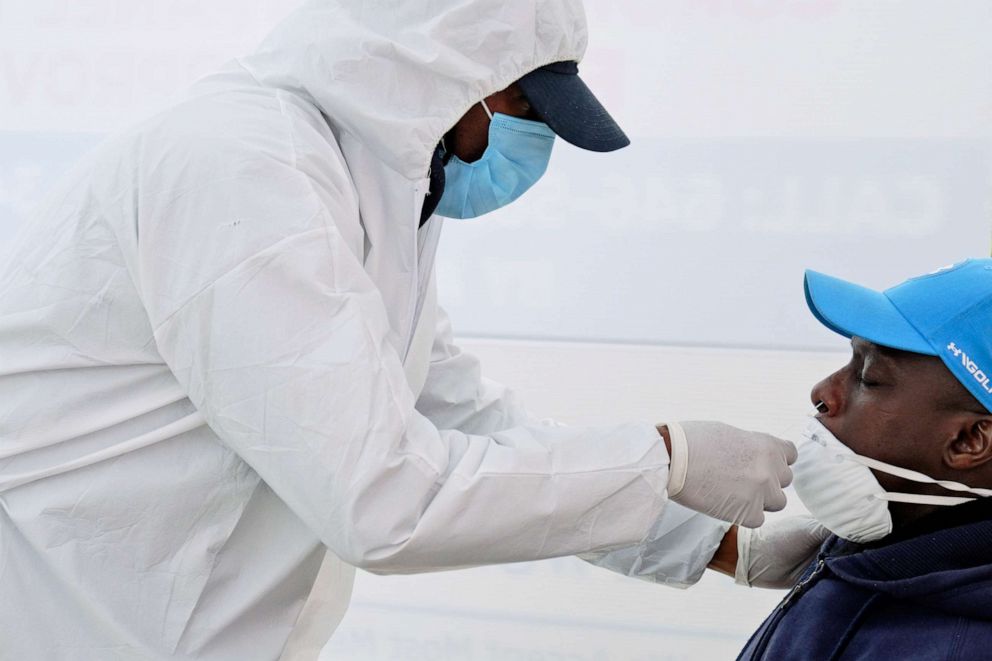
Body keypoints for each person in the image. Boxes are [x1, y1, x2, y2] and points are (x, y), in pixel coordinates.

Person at [0, 1, 814, 658]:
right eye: (523, 104)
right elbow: (384, 500)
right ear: (432, 74)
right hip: (71, 619)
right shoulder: (245, 172)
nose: (530, 142)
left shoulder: (367, 202)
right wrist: (667, 456)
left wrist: (720, 544)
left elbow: (465, 420)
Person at [734, 259, 992, 660]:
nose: (822, 390)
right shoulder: (892, 552)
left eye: (869, 377)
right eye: (852, 357)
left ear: (968, 441)